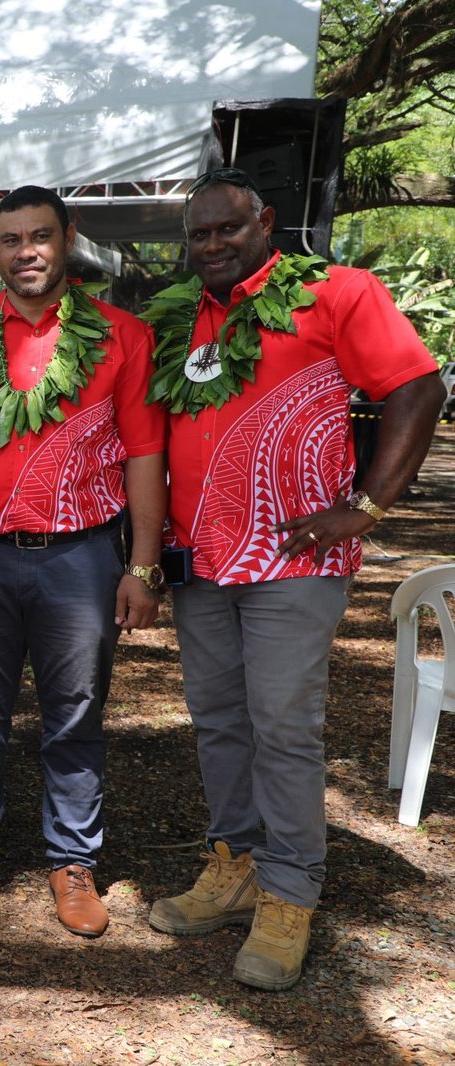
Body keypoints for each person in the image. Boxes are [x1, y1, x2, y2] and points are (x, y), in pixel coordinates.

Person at [142, 169, 444, 990]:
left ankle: (289, 891)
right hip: (201, 560)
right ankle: (235, 863)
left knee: (283, 726)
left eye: (226, 231)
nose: (210, 246)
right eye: (197, 236)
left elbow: (418, 385)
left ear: (266, 222)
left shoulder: (338, 294)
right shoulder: (183, 320)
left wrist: (368, 506)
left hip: (292, 558)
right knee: (219, 721)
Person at [0, 185, 166, 939]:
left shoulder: (121, 336)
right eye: (11, 239)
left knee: (74, 716)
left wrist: (142, 568)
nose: (27, 252)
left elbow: (146, 455)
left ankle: (73, 862)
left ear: (67, 236)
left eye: (40, 236)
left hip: (78, 557)